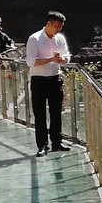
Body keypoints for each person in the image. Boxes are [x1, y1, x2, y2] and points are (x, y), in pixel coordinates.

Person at [26, 10, 70, 156]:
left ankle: (57, 142)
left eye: (61, 27)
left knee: (56, 113)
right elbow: (31, 62)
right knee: (40, 114)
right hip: (39, 80)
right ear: (48, 23)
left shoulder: (60, 38)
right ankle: (42, 145)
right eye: (57, 26)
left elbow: (66, 56)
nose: (59, 29)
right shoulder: (35, 39)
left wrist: (62, 60)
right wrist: (50, 59)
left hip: (55, 78)